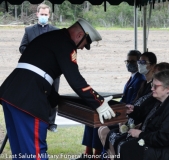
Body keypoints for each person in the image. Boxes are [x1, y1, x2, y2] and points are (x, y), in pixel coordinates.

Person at [0, 18, 116, 159]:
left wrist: (58, 100)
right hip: (29, 99)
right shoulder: (66, 43)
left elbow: (39, 72)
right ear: (80, 36)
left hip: (12, 93)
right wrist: (99, 103)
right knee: (35, 152)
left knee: (20, 150)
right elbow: (75, 79)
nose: (81, 49)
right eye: (84, 44)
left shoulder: (51, 37)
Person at [118, 70, 169, 160]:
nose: (152, 88)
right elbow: (146, 114)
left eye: (156, 86)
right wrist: (133, 111)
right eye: (152, 85)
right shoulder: (161, 101)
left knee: (128, 148)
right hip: (158, 147)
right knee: (123, 143)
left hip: (168, 153)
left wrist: (141, 134)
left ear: (168, 89)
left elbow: (164, 138)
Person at [81, 50, 145, 159]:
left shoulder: (140, 79)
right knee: (92, 117)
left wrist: (115, 108)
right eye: (127, 61)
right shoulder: (133, 77)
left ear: (139, 62)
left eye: (133, 61)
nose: (129, 64)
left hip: (126, 113)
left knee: (98, 121)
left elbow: (132, 102)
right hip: (121, 109)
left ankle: (96, 154)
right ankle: (88, 152)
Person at [19, 3, 59, 132]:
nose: (43, 16)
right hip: (35, 70)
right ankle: (36, 119)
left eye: (45, 15)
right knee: (35, 95)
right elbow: (22, 47)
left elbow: (60, 50)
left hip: (52, 70)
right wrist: (33, 52)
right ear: (37, 14)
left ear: (49, 15)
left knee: (52, 95)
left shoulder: (56, 31)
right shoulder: (29, 30)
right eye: (41, 14)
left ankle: (51, 123)